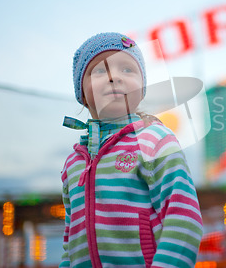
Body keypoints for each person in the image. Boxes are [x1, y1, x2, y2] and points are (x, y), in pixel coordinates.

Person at [60, 32, 203, 267]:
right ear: (82, 93)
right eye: (99, 70)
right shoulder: (73, 163)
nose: (114, 77)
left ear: (142, 88)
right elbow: (70, 239)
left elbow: (183, 217)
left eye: (127, 69)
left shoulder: (155, 140)